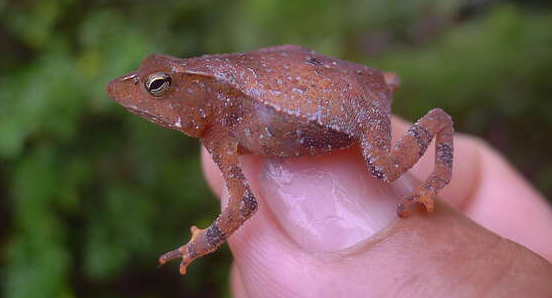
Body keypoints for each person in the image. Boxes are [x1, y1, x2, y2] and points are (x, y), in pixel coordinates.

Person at [201, 117, 552, 297]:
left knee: (383, 168)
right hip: (315, 101)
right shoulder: (220, 134)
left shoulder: (222, 134)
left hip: (347, 114)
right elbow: (243, 202)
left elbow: (243, 204)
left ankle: (439, 165)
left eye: (159, 87)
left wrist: (200, 243)